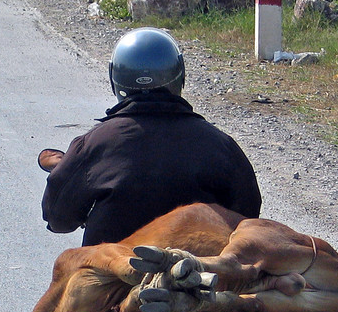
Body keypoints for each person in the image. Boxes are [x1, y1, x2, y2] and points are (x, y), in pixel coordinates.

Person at [41, 27, 262, 246]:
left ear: (115, 79)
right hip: (199, 270)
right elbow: (247, 216)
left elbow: (59, 219)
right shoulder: (220, 145)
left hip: (112, 274)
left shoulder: (93, 144)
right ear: (179, 76)